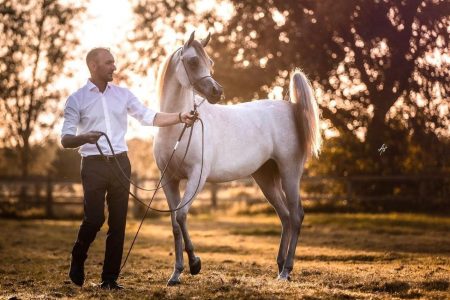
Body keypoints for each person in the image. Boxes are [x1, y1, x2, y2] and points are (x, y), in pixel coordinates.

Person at [61, 47, 196, 290]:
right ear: (93, 65)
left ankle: (109, 279)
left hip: (121, 163)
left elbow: (148, 117)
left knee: (119, 223)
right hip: (93, 164)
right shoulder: (76, 99)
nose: (114, 66)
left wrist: (179, 116)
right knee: (94, 219)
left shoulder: (122, 94)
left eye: (113, 62)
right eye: (108, 62)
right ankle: (78, 256)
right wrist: (86, 136)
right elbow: (66, 139)